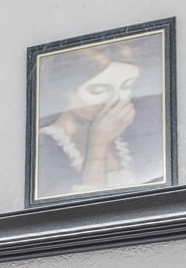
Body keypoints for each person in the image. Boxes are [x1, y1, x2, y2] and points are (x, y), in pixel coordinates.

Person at [33, 40, 166, 200]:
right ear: (67, 90)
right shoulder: (44, 147)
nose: (115, 100)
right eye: (99, 89)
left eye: (126, 87)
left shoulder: (134, 139)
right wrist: (98, 143)